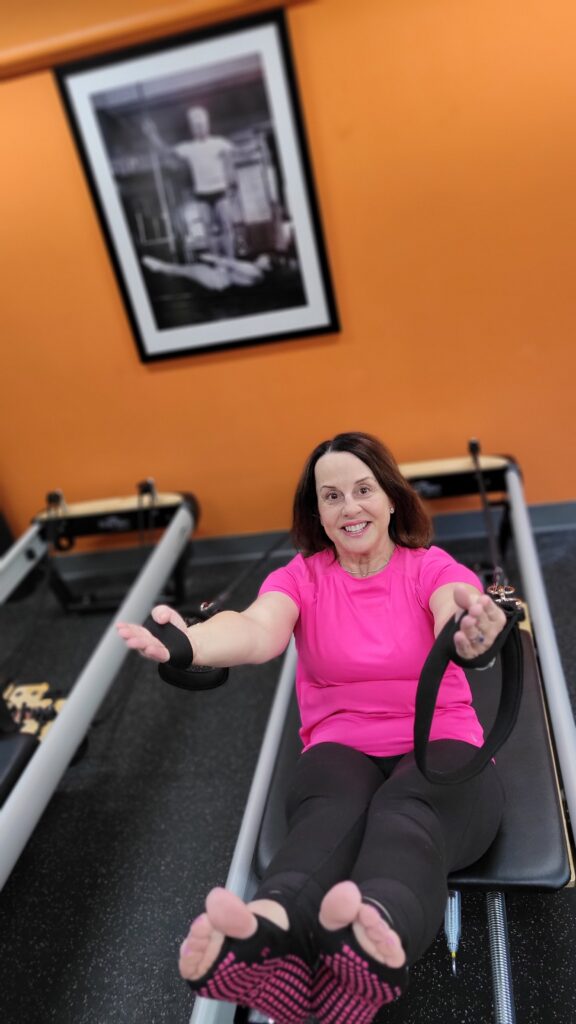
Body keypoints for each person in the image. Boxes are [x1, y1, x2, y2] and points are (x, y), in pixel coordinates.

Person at [116, 432, 507, 1024]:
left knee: (406, 813)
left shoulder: (429, 567)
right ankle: (268, 939)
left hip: (439, 742)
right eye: (332, 496)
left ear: (392, 498)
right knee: (329, 812)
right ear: (317, 512)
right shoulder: (300, 578)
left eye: (362, 490)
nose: (349, 508)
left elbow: (455, 604)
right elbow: (256, 631)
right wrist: (189, 642)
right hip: (340, 746)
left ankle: (370, 948)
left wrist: (473, 628)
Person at [142, 106, 238, 262]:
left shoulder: (219, 143)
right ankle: (218, 263)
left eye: (202, 124)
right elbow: (165, 151)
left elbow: (231, 158)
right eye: (196, 126)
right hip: (202, 194)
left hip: (220, 190)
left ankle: (231, 260)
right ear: (192, 128)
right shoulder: (189, 148)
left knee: (226, 227)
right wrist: (152, 135)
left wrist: (231, 181)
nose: (199, 128)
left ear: (207, 125)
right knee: (208, 231)